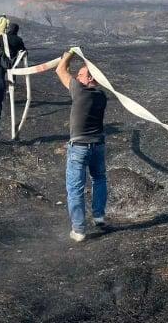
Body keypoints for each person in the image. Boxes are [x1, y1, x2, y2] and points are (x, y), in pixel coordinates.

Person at [56, 48, 108, 242]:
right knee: (99, 179)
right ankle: (99, 216)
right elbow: (66, 71)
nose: (77, 78)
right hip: (98, 146)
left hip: (79, 148)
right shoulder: (101, 96)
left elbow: (60, 70)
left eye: (81, 75)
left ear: (90, 79)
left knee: (75, 187)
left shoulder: (79, 90)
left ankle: (78, 230)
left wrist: (69, 53)